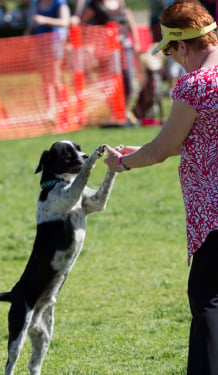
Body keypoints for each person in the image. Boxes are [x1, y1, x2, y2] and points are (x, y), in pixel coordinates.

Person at [104, 1, 218, 374]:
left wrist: (123, 163)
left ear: (183, 45)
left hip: (213, 216)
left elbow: (163, 149)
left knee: (207, 301)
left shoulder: (196, 84)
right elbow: (195, 138)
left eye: (171, 52)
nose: (174, 61)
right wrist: (144, 150)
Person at [79, 0, 139, 126]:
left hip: (124, 46)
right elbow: (82, 23)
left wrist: (136, 41)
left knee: (128, 80)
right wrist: (88, 43)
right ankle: (114, 114)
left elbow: (130, 21)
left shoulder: (121, 2)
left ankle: (125, 112)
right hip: (106, 49)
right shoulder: (95, 4)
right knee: (110, 83)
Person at [25, 0, 70, 120]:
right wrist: (27, 34)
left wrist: (45, 20)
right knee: (45, 79)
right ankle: (49, 110)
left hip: (54, 43)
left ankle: (62, 108)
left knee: (55, 78)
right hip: (40, 43)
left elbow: (65, 21)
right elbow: (33, 22)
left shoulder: (59, 3)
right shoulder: (37, 3)